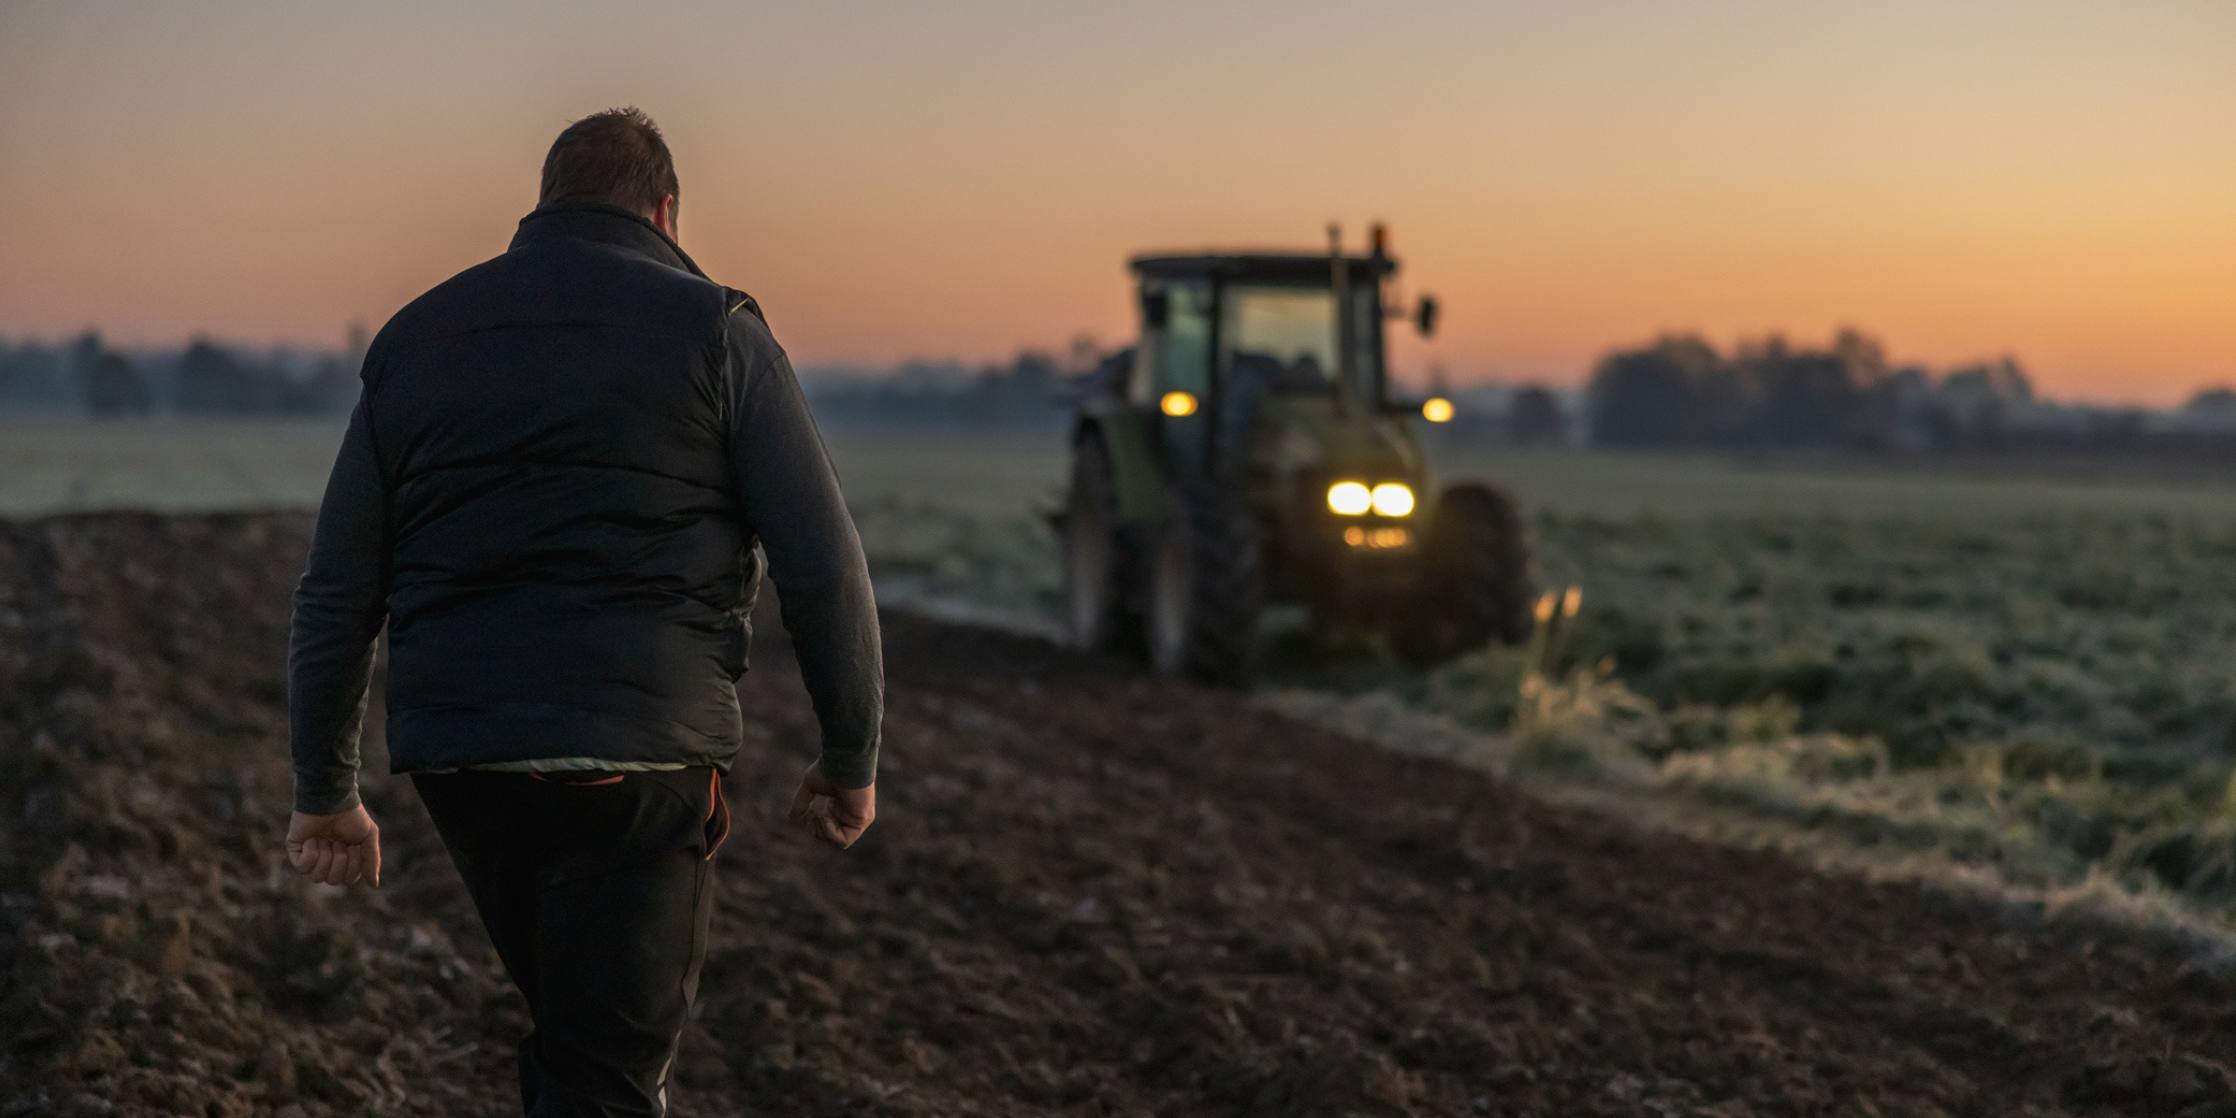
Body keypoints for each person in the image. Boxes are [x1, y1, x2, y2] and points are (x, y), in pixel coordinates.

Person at [280, 107, 885, 1117]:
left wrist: (323, 788)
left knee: (581, 1039)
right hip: (636, 761)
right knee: (605, 1067)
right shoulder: (717, 328)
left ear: (546, 202)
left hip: (463, 761)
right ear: (665, 211)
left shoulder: (416, 337)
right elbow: (824, 565)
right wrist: (851, 755)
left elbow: (338, 588)